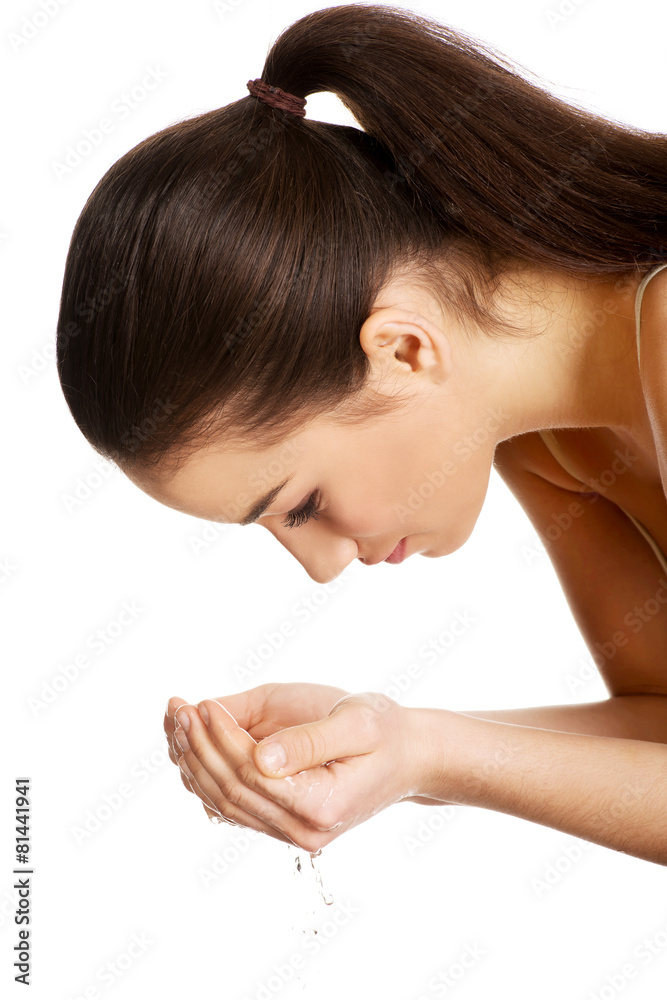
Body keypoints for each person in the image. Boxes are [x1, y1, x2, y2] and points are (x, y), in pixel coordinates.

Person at [55, 4, 667, 865]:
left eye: (301, 504)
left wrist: (435, 755)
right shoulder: (543, 441)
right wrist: (396, 745)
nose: (322, 566)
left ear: (402, 351)